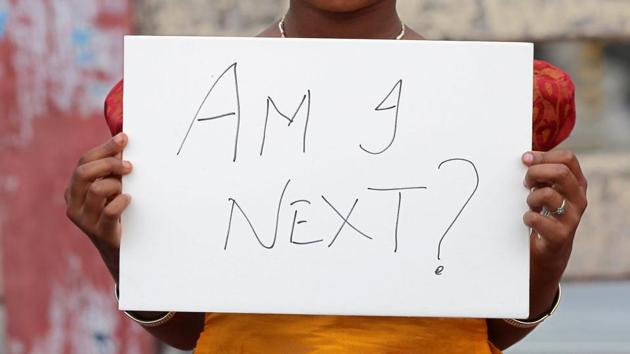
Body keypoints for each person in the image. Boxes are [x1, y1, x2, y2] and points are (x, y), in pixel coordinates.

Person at [65, 1, 588, 353]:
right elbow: (196, 332)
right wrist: (119, 250)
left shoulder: (492, 103)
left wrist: (546, 264)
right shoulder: (182, 104)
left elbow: (490, 329)